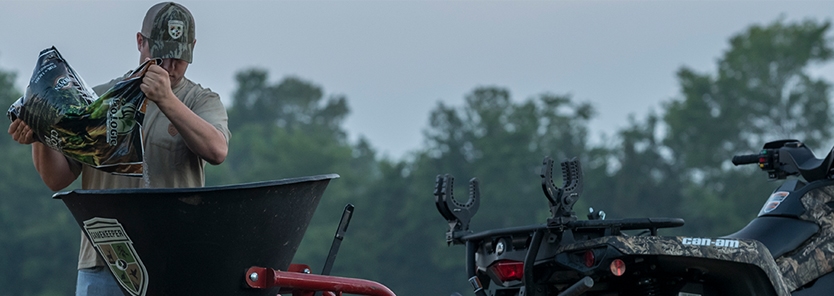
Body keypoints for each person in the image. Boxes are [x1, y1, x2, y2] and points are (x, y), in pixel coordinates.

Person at [7, 2, 230, 295]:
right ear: (140, 41)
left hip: (174, 258)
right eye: (160, 54)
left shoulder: (201, 100)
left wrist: (166, 99)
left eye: (179, 57)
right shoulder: (98, 99)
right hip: (104, 260)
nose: (169, 66)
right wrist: (42, 135)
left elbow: (217, 151)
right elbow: (57, 179)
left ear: (193, 48)